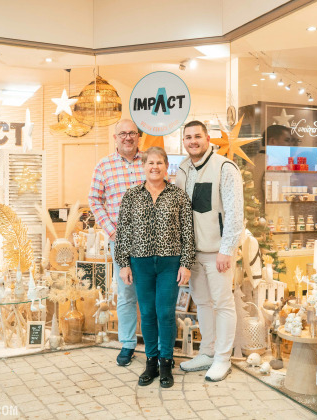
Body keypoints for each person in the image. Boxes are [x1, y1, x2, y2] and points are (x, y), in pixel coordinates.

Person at [115, 147, 195, 388]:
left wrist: (186, 263)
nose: (155, 167)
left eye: (159, 162)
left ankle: (166, 361)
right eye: (150, 162)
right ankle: (151, 361)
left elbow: (188, 232)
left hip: (170, 262)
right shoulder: (131, 196)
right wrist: (124, 264)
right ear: (144, 165)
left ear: (166, 165)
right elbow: (123, 232)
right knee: (148, 313)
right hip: (141, 262)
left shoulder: (178, 196)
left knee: (165, 313)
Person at [176, 120, 244, 382]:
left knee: (222, 304)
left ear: (207, 139)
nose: (192, 141)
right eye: (188, 137)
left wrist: (226, 250)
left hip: (217, 253)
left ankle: (223, 359)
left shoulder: (225, 167)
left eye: (197, 136)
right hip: (192, 253)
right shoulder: (182, 168)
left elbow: (235, 215)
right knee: (203, 303)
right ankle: (207, 352)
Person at [88, 119, 145, 366]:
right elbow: (94, 200)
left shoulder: (150, 162)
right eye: (122, 133)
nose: (127, 137)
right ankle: (128, 344)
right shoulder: (103, 166)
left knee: (152, 294)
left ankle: (155, 347)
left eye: (132, 133)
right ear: (115, 138)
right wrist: (112, 232)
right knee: (126, 294)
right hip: (120, 240)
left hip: (151, 241)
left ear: (138, 136)